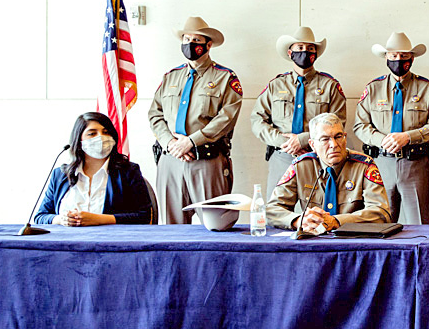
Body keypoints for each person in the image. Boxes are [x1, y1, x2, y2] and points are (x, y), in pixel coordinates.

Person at [148, 16, 242, 224]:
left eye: (196, 40)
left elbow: (227, 118)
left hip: (206, 160)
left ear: (208, 45)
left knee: (216, 224)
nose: (190, 44)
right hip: (170, 160)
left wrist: (191, 141)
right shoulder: (171, 76)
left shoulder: (225, 77)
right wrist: (170, 143)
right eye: (186, 39)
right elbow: (155, 114)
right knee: (172, 226)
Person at [353, 32, 429, 225]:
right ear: (386, 58)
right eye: (393, 56)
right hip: (381, 164)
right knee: (379, 223)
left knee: (420, 225)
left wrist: (409, 137)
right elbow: (360, 126)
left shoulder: (426, 88)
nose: (398, 60)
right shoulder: (373, 89)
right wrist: (383, 140)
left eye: (403, 56)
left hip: (416, 164)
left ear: (411, 58)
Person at [251, 26, 346, 192]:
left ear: (315, 54)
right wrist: (285, 142)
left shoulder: (330, 86)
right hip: (282, 156)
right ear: (290, 53)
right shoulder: (276, 85)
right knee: (277, 205)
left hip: (317, 157)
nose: (305, 52)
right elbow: (257, 120)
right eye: (300, 48)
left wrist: (302, 140)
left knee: (316, 205)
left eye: (310, 49)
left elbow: (338, 124)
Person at [266, 113, 390, 232]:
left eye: (338, 137)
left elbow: (381, 212)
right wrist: (299, 221)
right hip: (313, 239)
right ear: (312, 145)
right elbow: (271, 210)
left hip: (352, 239)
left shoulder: (364, 165)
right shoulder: (301, 166)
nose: (334, 145)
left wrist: (337, 221)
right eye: (325, 139)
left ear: (345, 138)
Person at [34, 112, 152, 225]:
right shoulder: (60, 175)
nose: (101, 137)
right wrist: (61, 219)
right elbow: (40, 217)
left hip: (111, 238)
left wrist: (99, 219)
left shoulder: (128, 171)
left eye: (106, 132)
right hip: (66, 237)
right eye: (92, 134)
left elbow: (144, 216)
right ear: (78, 140)